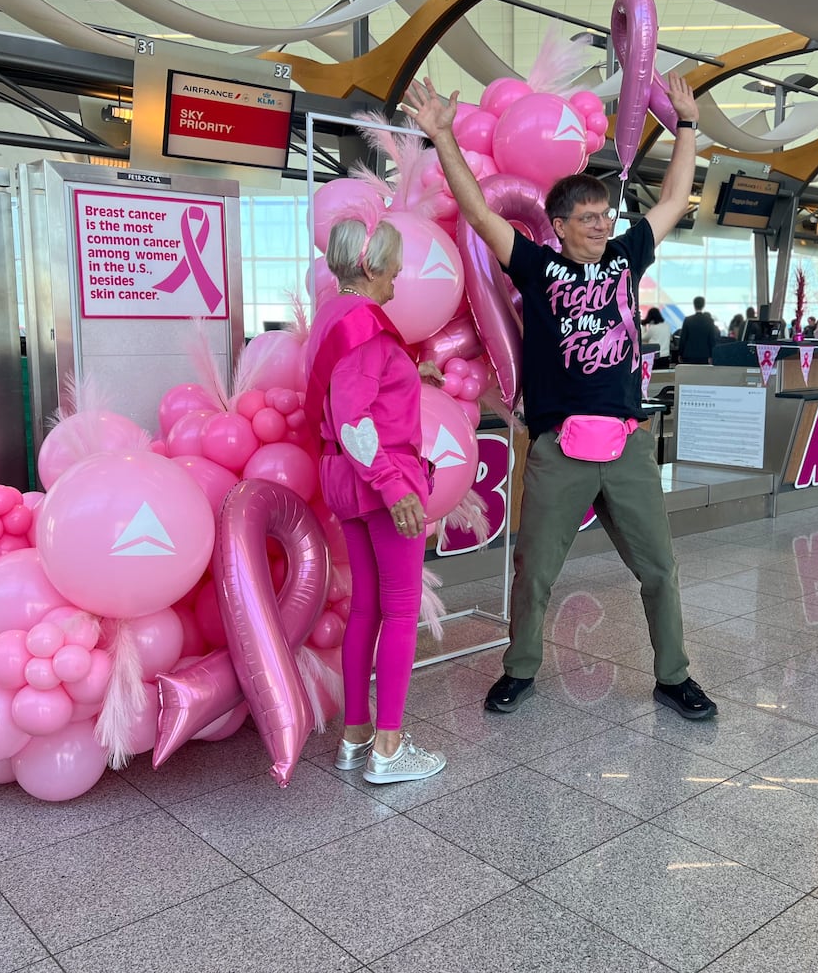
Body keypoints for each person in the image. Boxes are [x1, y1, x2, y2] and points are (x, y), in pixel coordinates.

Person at [403, 73, 717, 721]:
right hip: (559, 450)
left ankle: (672, 676)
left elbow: (675, 195)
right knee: (534, 574)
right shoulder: (536, 267)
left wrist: (686, 126)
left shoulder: (627, 256)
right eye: (588, 218)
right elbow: (478, 211)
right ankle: (519, 669)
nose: (602, 225)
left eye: (606, 215)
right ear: (560, 225)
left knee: (659, 570)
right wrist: (441, 137)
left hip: (626, 447)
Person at [304, 217, 448, 784]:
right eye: (392, 267)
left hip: (342, 478)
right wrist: (393, 486)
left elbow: (352, 392)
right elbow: (354, 418)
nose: (398, 277)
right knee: (401, 609)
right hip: (380, 478)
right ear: (369, 267)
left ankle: (356, 735)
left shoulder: (333, 318)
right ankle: (389, 749)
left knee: (367, 606)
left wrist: (414, 374)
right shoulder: (365, 323)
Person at [677, 296, 717, 364]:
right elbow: (712, 340)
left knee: (689, 374)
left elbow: (683, 339)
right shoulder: (709, 321)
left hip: (688, 355)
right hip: (704, 355)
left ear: (694, 305)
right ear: (703, 305)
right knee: (702, 374)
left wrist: (680, 353)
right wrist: (712, 355)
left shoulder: (687, 320)